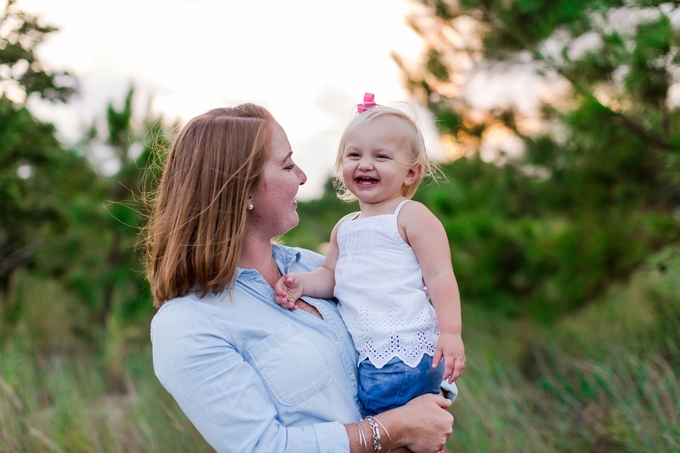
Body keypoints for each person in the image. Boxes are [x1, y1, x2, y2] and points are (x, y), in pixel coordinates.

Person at [144, 103, 455, 453]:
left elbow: (404, 333)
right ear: (242, 189)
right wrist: (396, 429)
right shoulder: (187, 324)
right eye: (288, 164)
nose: (303, 176)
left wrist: (431, 403)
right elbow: (263, 447)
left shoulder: (315, 267)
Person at [274, 93, 465, 417]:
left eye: (381, 156)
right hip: (368, 354)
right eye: (354, 155)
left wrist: (451, 333)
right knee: (397, 429)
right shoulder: (345, 226)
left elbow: (440, 276)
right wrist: (301, 284)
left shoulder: (410, 216)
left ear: (411, 173)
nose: (365, 164)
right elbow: (332, 276)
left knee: (390, 425)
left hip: (407, 351)